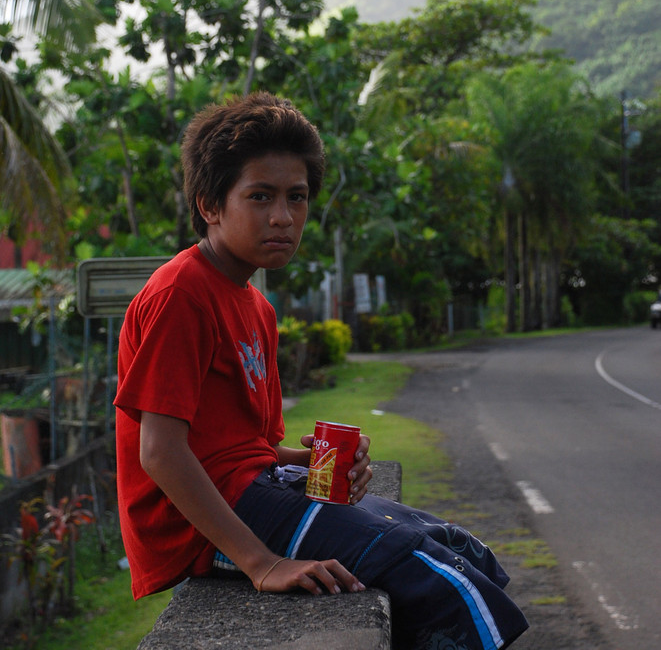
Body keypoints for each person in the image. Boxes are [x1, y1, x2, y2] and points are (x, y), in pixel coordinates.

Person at [114, 92, 529, 649]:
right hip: (204, 523)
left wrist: (309, 461)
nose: (283, 217)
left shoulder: (254, 303)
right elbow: (160, 451)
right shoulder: (180, 295)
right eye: (259, 197)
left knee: (460, 548)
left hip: (249, 487)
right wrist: (262, 564)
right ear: (210, 204)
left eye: (297, 197)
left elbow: (237, 446)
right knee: (446, 587)